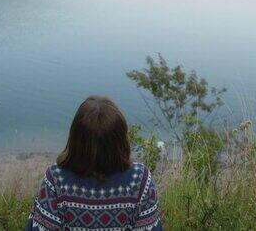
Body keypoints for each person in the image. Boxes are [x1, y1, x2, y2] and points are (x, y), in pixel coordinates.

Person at [26, 96, 162, 231]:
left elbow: (39, 227)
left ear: (75, 138)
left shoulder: (56, 179)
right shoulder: (140, 180)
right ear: (120, 140)